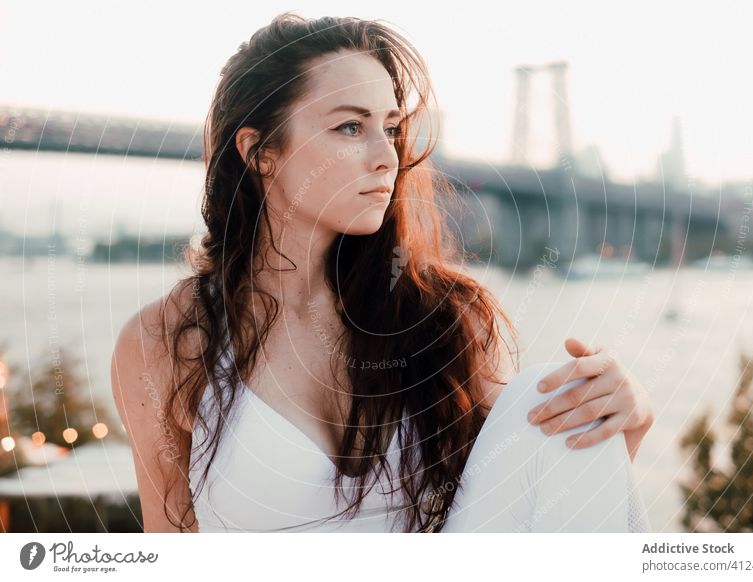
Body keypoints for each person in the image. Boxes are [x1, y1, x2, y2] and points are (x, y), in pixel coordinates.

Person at [110, 12, 653, 533]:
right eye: (350, 126)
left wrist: (623, 419)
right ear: (260, 152)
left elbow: (536, 501)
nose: (388, 156)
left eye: (390, 128)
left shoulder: (444, 317)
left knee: (549, 392)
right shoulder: (165, 342)